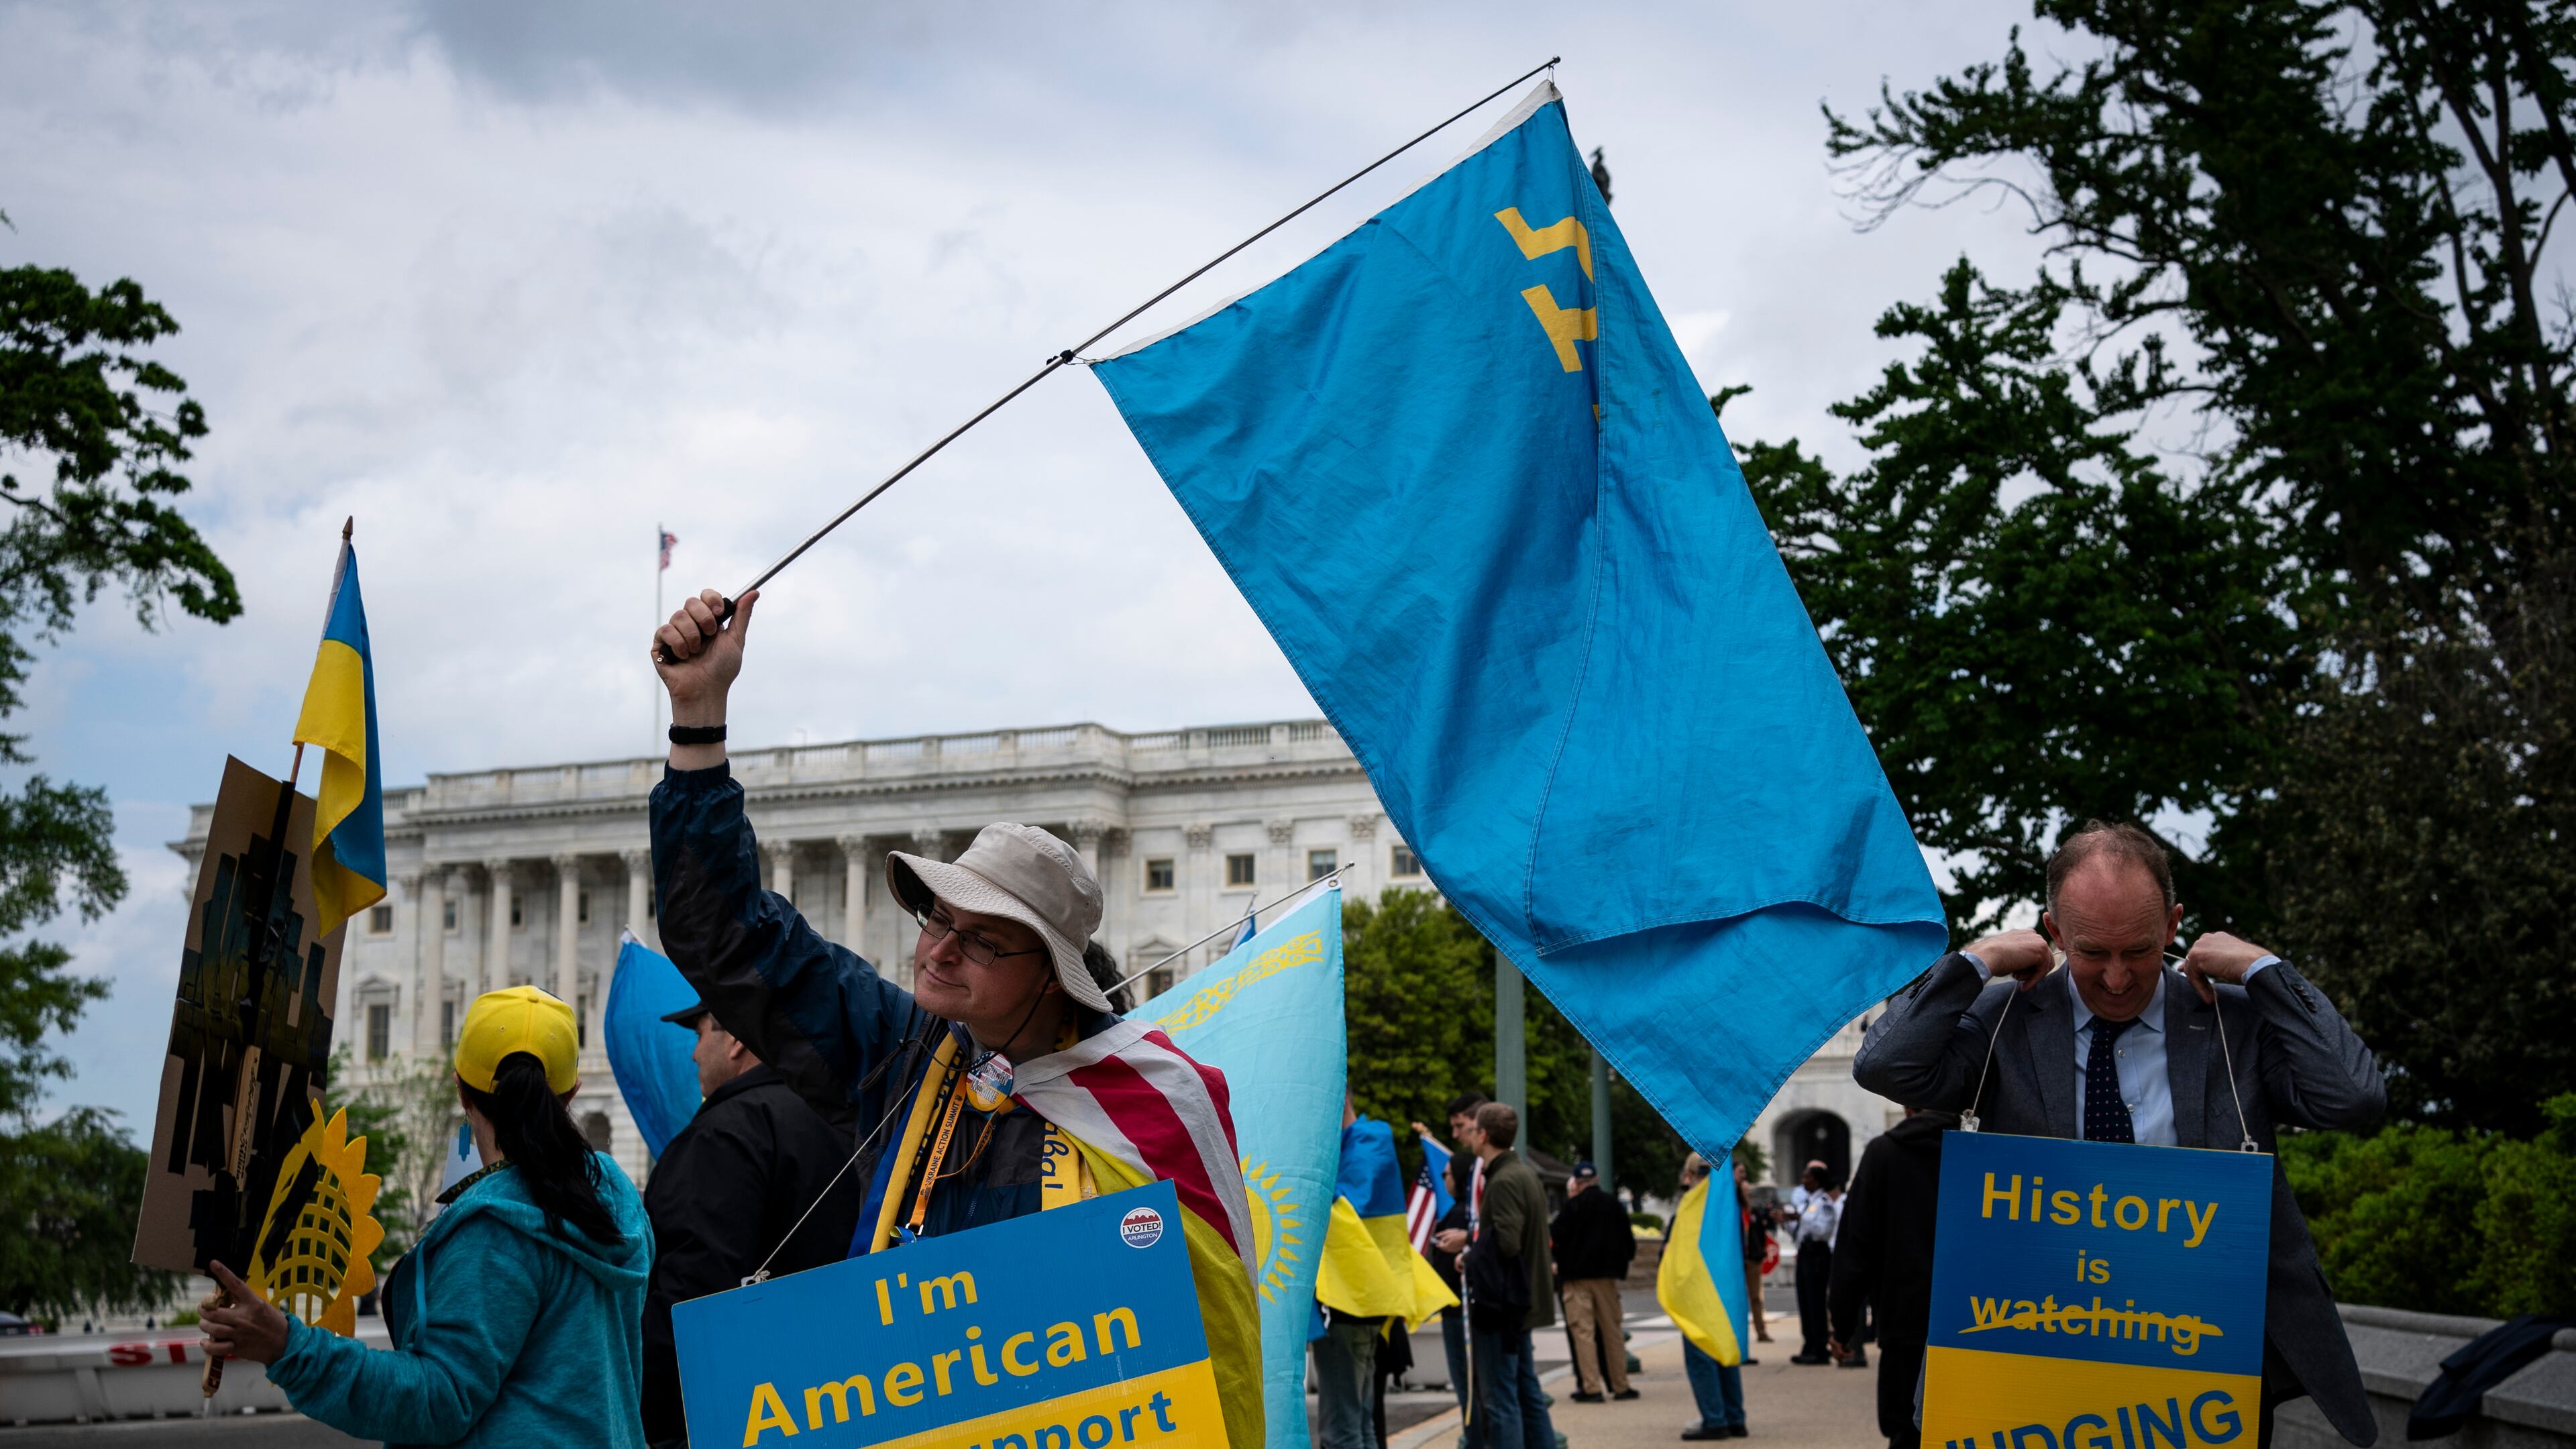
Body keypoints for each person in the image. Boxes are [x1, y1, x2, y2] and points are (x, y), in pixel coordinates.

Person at [649, 586, 1263, 1448]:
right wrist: (699, 718)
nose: (937, 950)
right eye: (937, 918)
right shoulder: (903, 1055)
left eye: (978, 941)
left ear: (1052, 978)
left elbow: (1210, 1354)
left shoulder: (1157, 1105)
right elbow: (726, 934)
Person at [1853, 820, 2386, 1448]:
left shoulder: (2234, 1022)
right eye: (2090, 953)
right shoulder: (2006, 1021)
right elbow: (1885, 1066)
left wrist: (2265, 970)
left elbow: (2354, 1098)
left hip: (2206, 1356)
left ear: (2172, 925)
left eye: (2137, 950)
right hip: (2043, 1352)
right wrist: (1979, 960)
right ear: (2054, 933)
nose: (2115, 978)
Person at [199, 986, 653, 1446]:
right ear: (572, 1092)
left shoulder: (497, 1230)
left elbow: (439, 1400)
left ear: (461, 1090)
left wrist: (289, 1347)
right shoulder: (619, 1202)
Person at [640, 996, 867, 1447]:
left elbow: (690, 1300)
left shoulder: (723, 1135)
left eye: (701, 1033)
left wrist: (649, 1414)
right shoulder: (841, 1122)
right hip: (831, 1397)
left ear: (736, 1041)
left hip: (728, 1412)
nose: (693, 1053)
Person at [1825, 1106, 1955, 1449]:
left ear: (1907, 1107)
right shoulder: (1992, 1143)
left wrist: (1842, 1325)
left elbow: (1855, 1247)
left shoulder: (1885, 1153)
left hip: (1905, 1325)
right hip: (1983, 1321)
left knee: (1908, 1431)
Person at [1433, 1102, 1558, 1449]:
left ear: (1484, 1135)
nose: (1467, 1137)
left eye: (1471, 1130)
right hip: (1521, 1300)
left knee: (1499, 1399)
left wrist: (1468, 1257)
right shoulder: (1523, 1174)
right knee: (1526, 1392)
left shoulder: (1502, 1181)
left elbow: (1505, 1242)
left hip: (1502, 1305)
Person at [1666, 1153, 1747, 1441]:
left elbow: (1678, 1256)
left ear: (1690, 1175)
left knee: (1701, 1357)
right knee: (1725, 1353)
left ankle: (1714, 1419)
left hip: (1699, 1295)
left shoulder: (1693, 1207)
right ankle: (1734, 1417)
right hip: (1725, 1294)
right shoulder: (1727, 1206)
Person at [1550, 1161, 1638, 1402]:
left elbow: (1555, 1237)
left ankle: (1592, 1387)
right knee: (1613, 1332)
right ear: (1597, 1179)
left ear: (1576, 1183)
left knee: (1583, 1333)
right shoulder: (1613, 1205)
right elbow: (1628, 1243)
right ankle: (1621, 1385)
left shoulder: (1571, 1208)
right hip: (1607, 1278)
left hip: (1576, 1279)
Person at [1424, 1148, 1478, 1444]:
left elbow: (1444, 1270)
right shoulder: (1473, 1213)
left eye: (1447, 1173)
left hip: (1458, 1315)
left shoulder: (1457, 1216)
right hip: (1472, 1311)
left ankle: (1474, 1439)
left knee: (1466, 1386)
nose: (1443, 1177)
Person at [1787, 1163, 1840, 1364]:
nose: (1803, 1181)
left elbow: (1823, 1231)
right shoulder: (1807, 1203)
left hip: (1817, 1255)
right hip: (1805, 1253)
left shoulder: (1824, 1203)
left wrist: (1802, 1218)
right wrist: (1787, 1221)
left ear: (1816, 1180)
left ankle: (1819, 1348)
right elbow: (1800, 1231)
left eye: (1807, 1177)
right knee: (1805, 1302)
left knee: (1816, 1303)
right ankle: (1809, 1344)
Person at [1733, 1160, 1772, 1350]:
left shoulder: (1754, 1213)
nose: (1747, 1192)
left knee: (1755, 1297)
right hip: (1737, 1259)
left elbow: (1761, 1234)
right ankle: (1739, 1336)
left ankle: (1761, 1331)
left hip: (1753, 1258)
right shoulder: (1733, 1210)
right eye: (1741, 1172)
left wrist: (1762, 1251)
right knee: (1738, 1298)